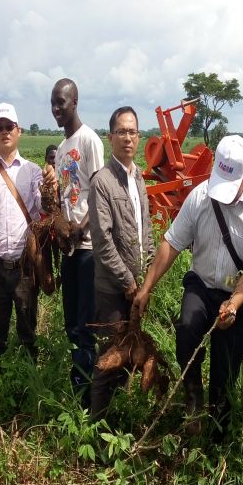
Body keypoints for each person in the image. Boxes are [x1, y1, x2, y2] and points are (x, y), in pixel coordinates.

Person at [133, 135, 243, 437]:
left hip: (237, 293)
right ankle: (193, 394)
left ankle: (219, 424)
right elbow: (171, 243)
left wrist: (233, 304)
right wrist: (147, 287)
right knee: (186, 330)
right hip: (203, 285)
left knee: (226, 364)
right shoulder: (199, 196)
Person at [88, 106, 155, 420]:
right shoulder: (102, 181)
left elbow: (147, 229)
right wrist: (128, 282)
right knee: (109, 359)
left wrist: (149, 277)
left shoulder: (137, 176)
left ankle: (118, 423)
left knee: (129, 359)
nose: (127, 138)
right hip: (114, 290)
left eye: (133, 132)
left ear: (139, 138)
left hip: (138, 288)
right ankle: (96, 428)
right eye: (121, 131)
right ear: (110, 136)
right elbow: (102, 241)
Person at [0, 103, 46, 367]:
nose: (4, 132)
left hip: (24, 265)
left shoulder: (33, 171)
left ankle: (30, 380)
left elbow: (42, 210)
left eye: (9, 127)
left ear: (19, 131)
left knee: (28, 332)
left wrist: (49, 189)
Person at [50, 78, 105, 405]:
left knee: (86, 327)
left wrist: (80, 228)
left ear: (75, 102)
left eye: (62, 103)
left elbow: (100, 193)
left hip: (87, 250)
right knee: (71, 324)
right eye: (53, 104)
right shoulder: (60, 150)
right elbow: (63, 197)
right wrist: (61, 229)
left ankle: (88, 398)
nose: (57, 109)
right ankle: (78, 389)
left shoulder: (89, 141)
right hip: (69, 249)